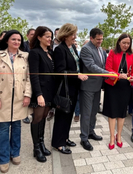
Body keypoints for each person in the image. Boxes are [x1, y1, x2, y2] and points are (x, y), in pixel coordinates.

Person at [0, 30, 31, 172]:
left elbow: (29, 78)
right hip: (3, 97)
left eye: (19, 40)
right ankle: (4, 158)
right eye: (13, 39)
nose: (16, 42)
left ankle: (15, 153)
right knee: (4, 129)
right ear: (6, 41)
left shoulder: (25, 56)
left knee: (17, 127)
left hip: (19, 96)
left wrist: (27, 94)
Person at [51, 23, 88, 154]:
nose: (75, 37)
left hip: (73, 87)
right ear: (65, 35)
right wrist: (77, 75)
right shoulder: (60, 49)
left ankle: (64, 138)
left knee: (69, 115)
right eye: (73, 34)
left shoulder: (71, 47)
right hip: (65, 88)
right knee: (62, 116)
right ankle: (58, 143)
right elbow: (60, 71)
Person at [79, 28, 112, 151]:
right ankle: (84, 138)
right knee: (86, 113)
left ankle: (90, 131)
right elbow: (91, 66)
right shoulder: (86, 49)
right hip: (88, 87)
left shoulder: (101, 50)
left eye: (101, 39)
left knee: (94, 111)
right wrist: (108, 73)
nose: (100, 41)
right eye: (98, 39)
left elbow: (102, 65)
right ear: (91, 38)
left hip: (98, 86)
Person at [103, 33, 133, 149]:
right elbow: (107, 69)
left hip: (125, 87)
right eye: (124, 43)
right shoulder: (112, 53)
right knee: (112, 112)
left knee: (122, 113)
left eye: (128, 43)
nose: (126, 45)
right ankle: (112, 136)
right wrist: (118, 75)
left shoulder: (132, 55)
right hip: (113, 86)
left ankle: (119, 136)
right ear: (119, 42)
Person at [28, 26, 54, 162]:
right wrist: (38, 94)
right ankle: (36, 147)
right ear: (39, 37)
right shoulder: (35, 53)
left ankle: (42, 143)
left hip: (50, 91)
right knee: (37, 119)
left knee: (44, 118)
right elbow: (34, 75)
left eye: (51, 37)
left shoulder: (49, 52)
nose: (50, 39)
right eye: (47, 36)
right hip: (41, 92)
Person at [22, 28, 35, 124]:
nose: (33, 36)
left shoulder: (36, 45)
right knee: (25, 93)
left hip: (34, 72)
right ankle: (25, 115)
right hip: (25, 71)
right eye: (31, 34)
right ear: (27, 35)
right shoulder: (24, 45)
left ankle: (32, 112)